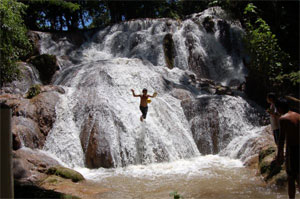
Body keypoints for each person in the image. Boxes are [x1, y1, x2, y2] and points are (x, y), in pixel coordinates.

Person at [275, 97, 300, 199]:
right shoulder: (298, 115)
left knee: (291, 177)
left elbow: (281, 138)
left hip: (293, 149)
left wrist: (279, 154)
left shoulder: (283, 119)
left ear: (280, 108)